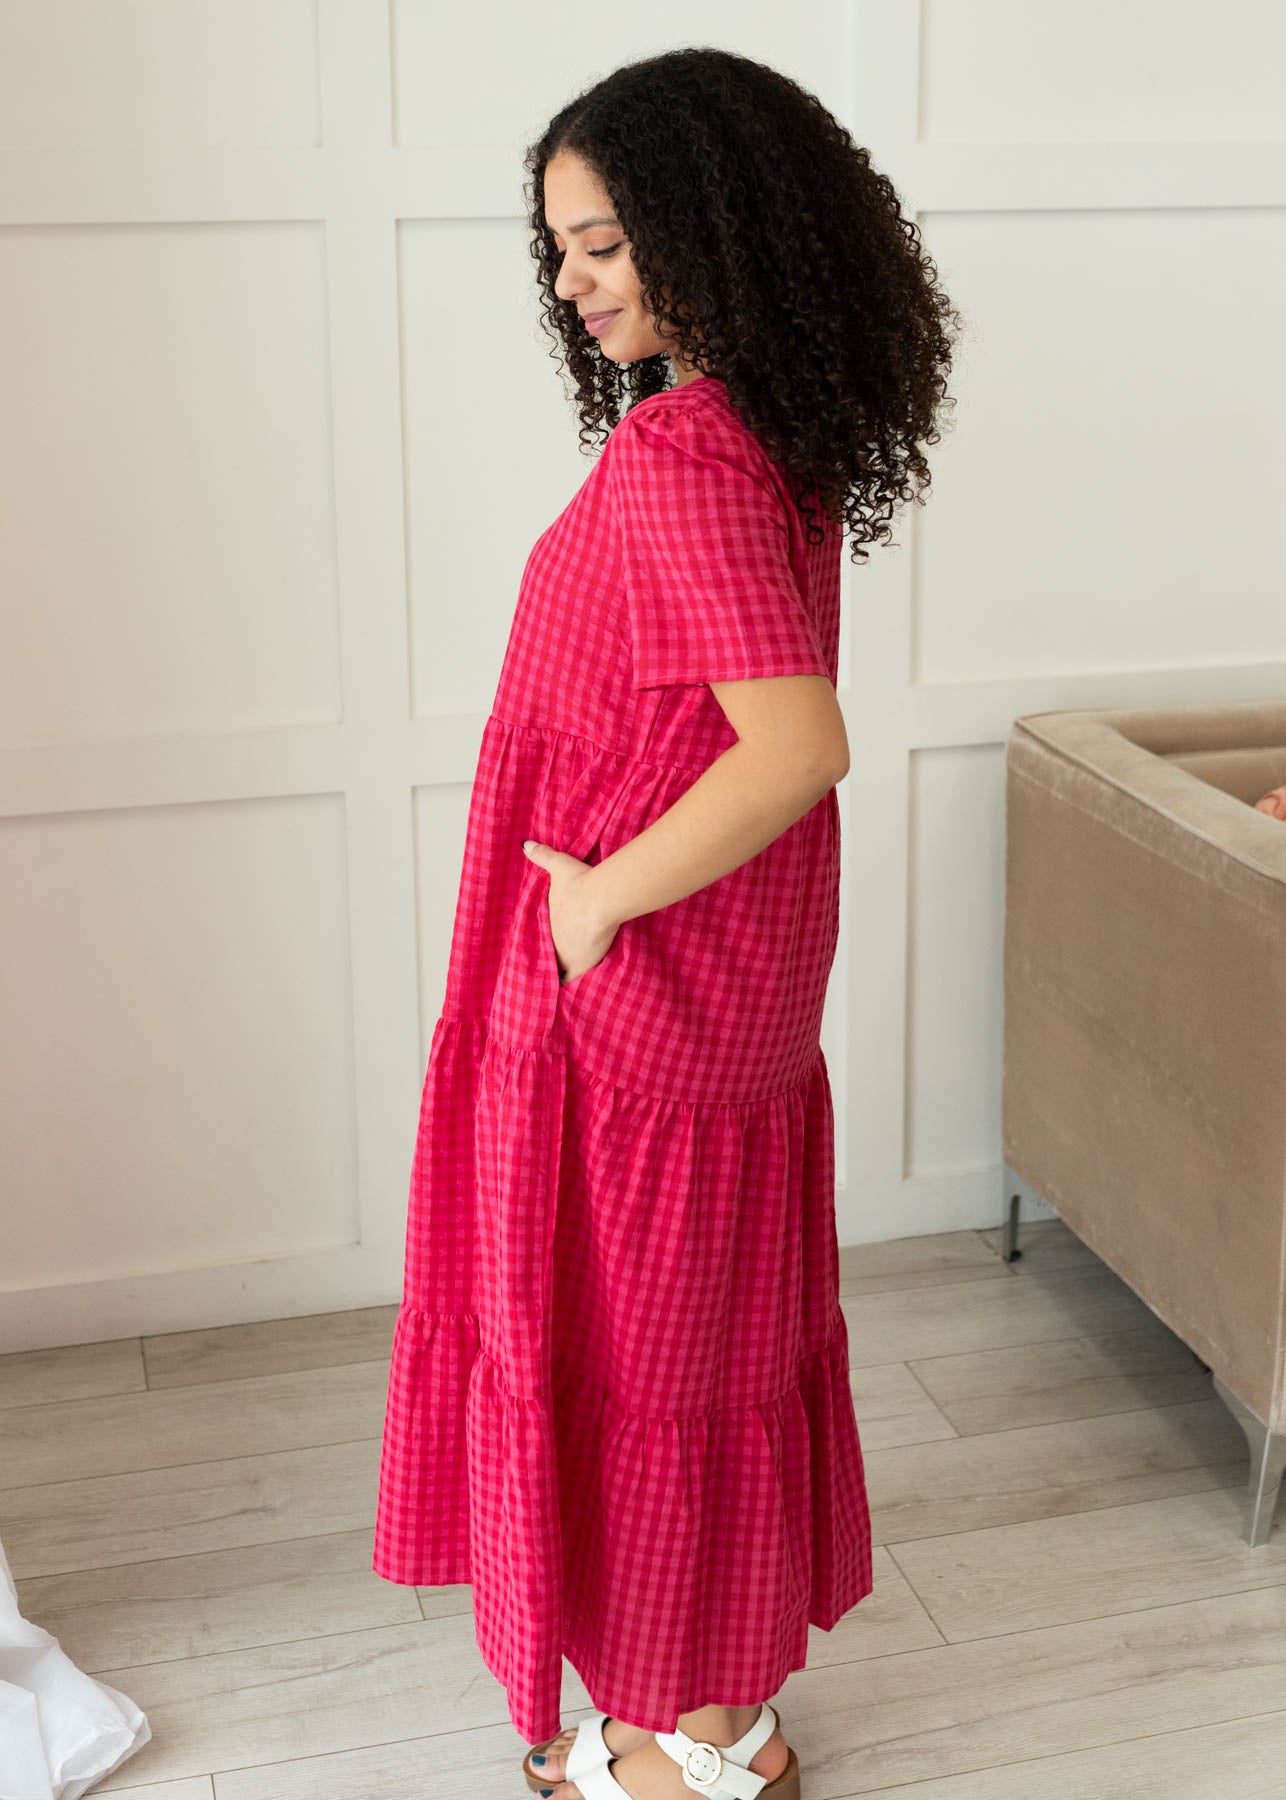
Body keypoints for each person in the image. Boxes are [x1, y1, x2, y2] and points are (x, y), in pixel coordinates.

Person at [371, 46, 962, 1800]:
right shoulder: (758, 431)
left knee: (644, 1341)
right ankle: (703, 1703)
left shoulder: (685, 455)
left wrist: (593, 903)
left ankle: (696, 1733)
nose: (575, 281)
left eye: (610, 240)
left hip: (650, 969)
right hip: (725, 974)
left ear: (718, 226)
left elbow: (795, 745)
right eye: (561, 250)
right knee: (692, 1333)